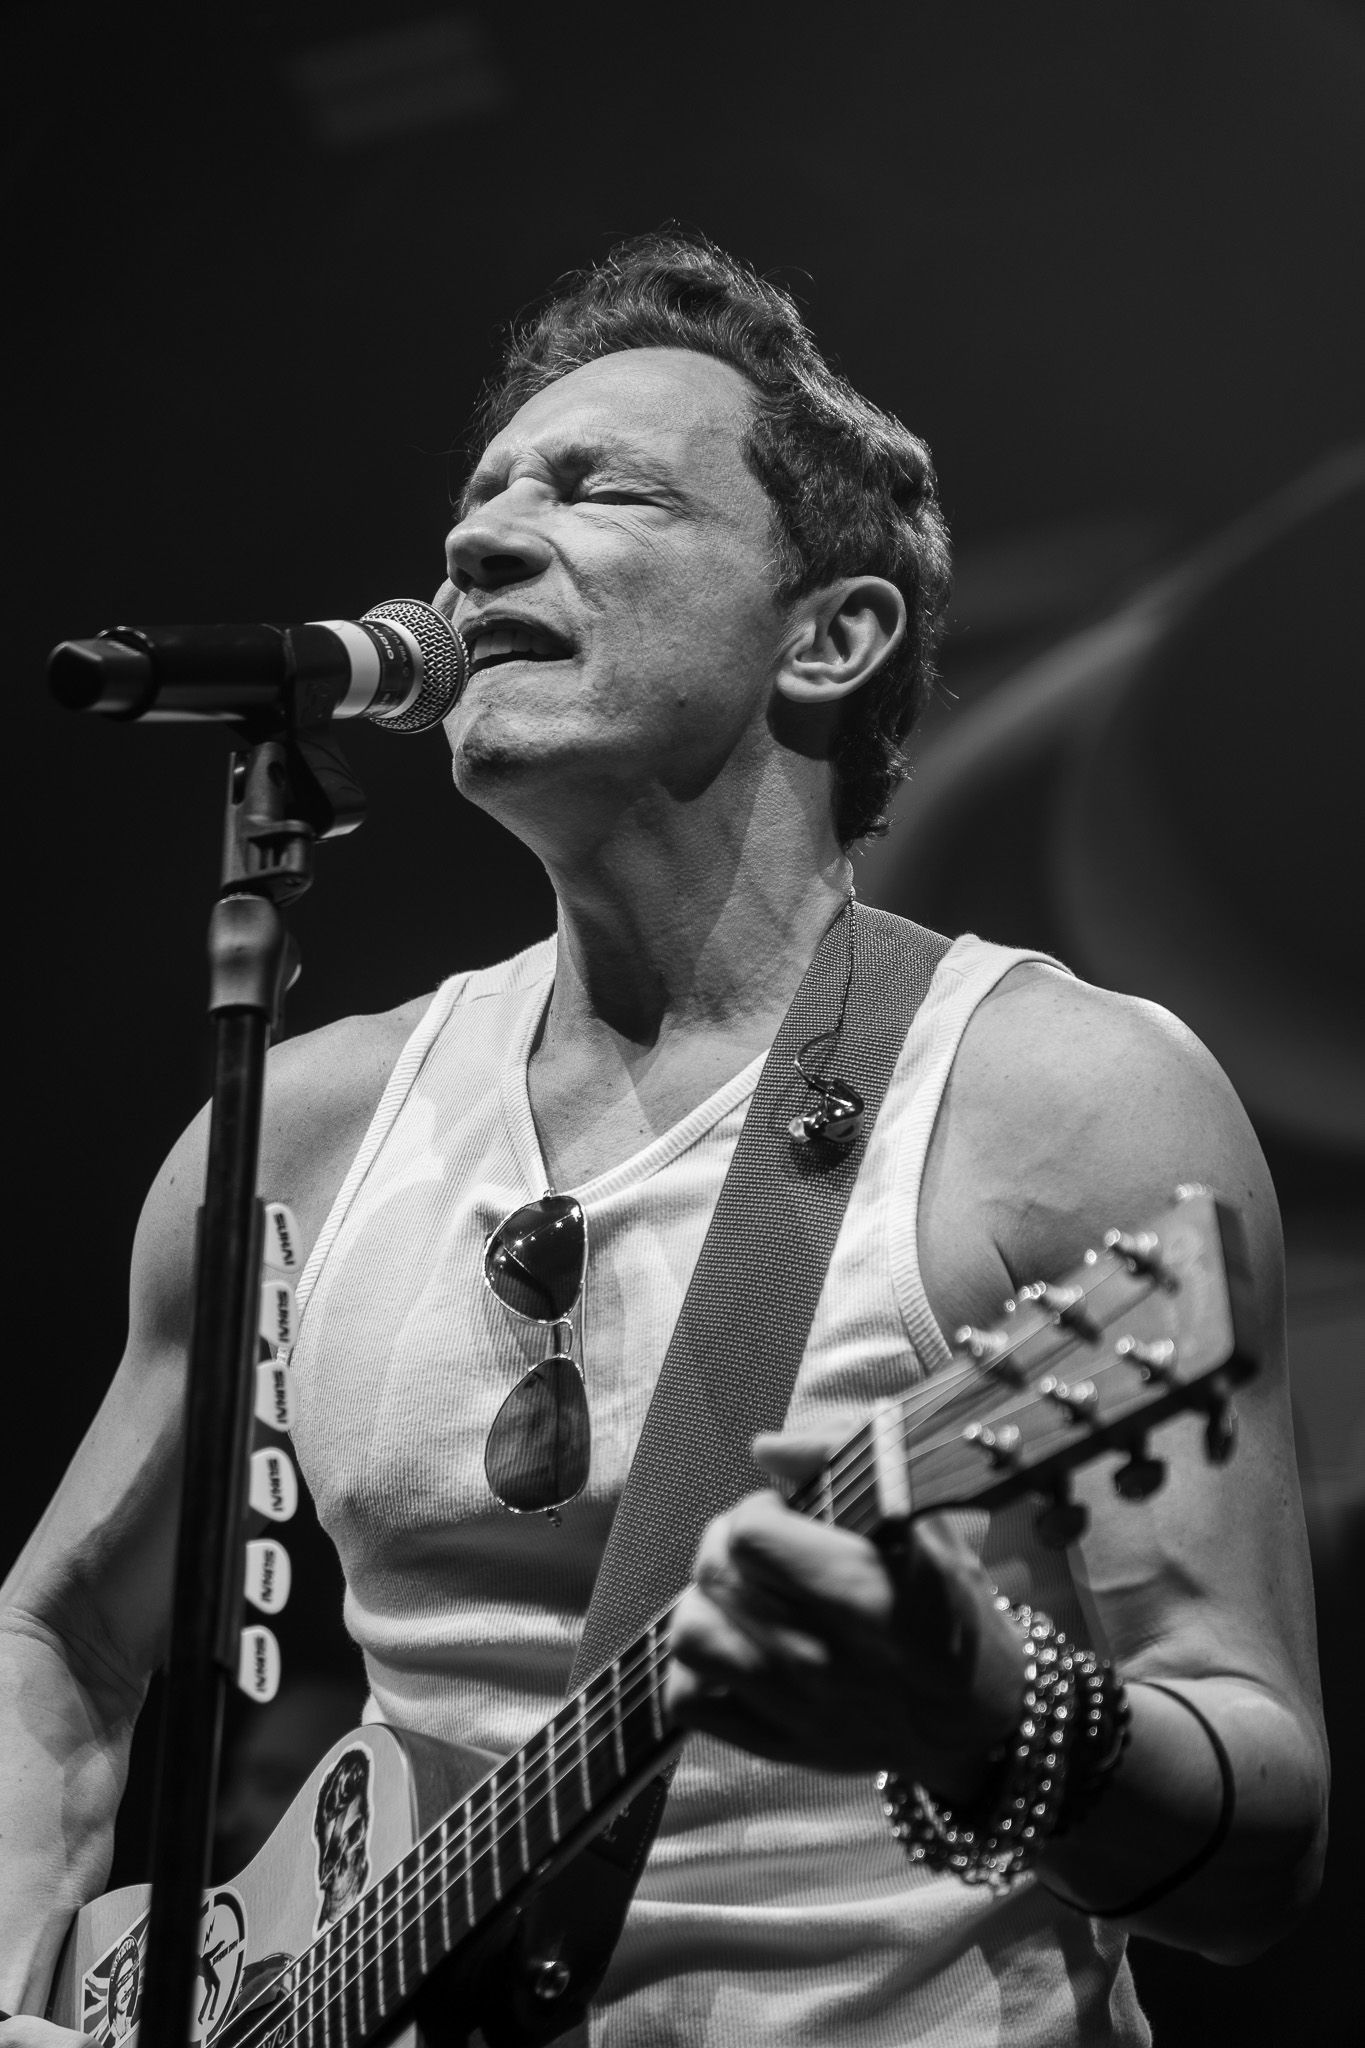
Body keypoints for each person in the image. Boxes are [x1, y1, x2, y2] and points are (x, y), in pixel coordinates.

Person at [0, 233, 1327, 2046]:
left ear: (831, 635)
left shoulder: (1060, 1096)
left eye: (596, 488)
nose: (474, 543)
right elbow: (61, 1636)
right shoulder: (309, 1119)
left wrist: (983, 1713)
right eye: (476, 499)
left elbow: (1260, 1854)